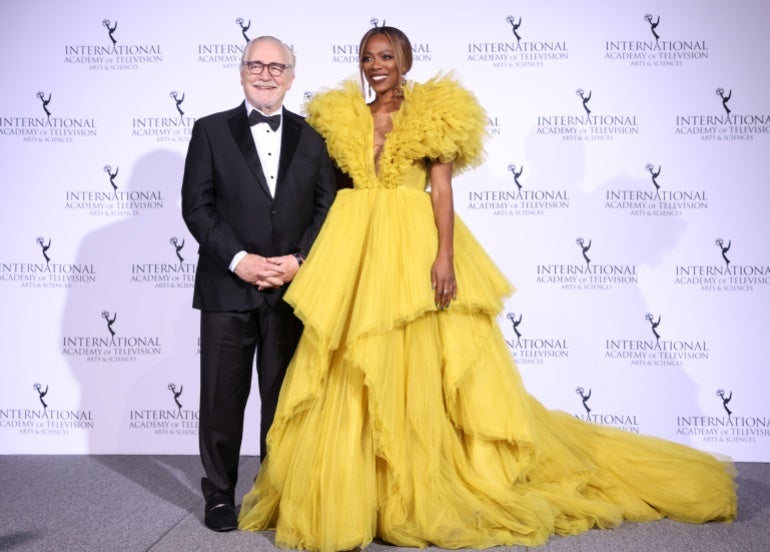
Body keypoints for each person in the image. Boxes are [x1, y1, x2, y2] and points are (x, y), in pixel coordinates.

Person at [237, 25, 737, 550]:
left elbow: (443, 192)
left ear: (405, 59)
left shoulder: (436, 112)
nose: (375, 64)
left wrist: (446, 257)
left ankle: (420, 484)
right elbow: (330, 189)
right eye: (367, 57)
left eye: (386, 55)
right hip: (355, 249)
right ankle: (363, 488)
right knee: (351, 365)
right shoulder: (342, 117)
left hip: (411, 247)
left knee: (419, 369)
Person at [181, 35, 337, 532]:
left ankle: (275, 491)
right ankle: (220, 494)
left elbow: (327, 208)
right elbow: (197, 208)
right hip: (229, 288)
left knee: (283, 400)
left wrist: (299, 260)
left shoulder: (316, 138)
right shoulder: (209, 131)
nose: (266, 74)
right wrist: (240, 260)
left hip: (292, 292)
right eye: (256, 64)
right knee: (221, 398)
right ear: (241, 71)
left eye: (277, 66)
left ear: (292, 77)